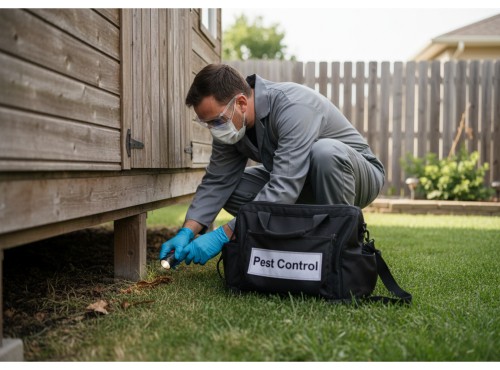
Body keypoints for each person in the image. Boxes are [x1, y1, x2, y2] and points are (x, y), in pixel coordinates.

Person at [159, 63, 385, 266]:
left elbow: (283, 186)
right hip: (302, 182)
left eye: (217, 121)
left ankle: (340, 248)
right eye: (207, 124)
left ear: (240, 103)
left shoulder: (294, 105)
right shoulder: (231, 126)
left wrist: (224, 234)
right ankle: (289, 243)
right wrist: (187, 231)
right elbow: (218, 181)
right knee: (232, 189)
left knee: (325, 153)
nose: (214, 129)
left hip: (354, 177)